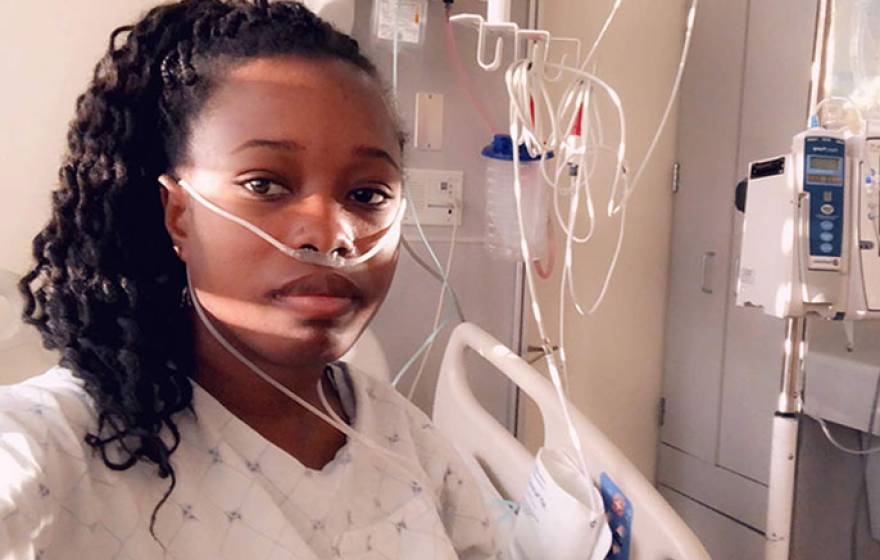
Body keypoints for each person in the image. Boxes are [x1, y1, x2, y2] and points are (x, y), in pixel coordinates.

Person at [0, 1, 502, 558]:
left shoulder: (414, 451)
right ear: (178, 215)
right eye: (265, 185)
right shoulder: (59, 448)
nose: (330, 235)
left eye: (367, 195)